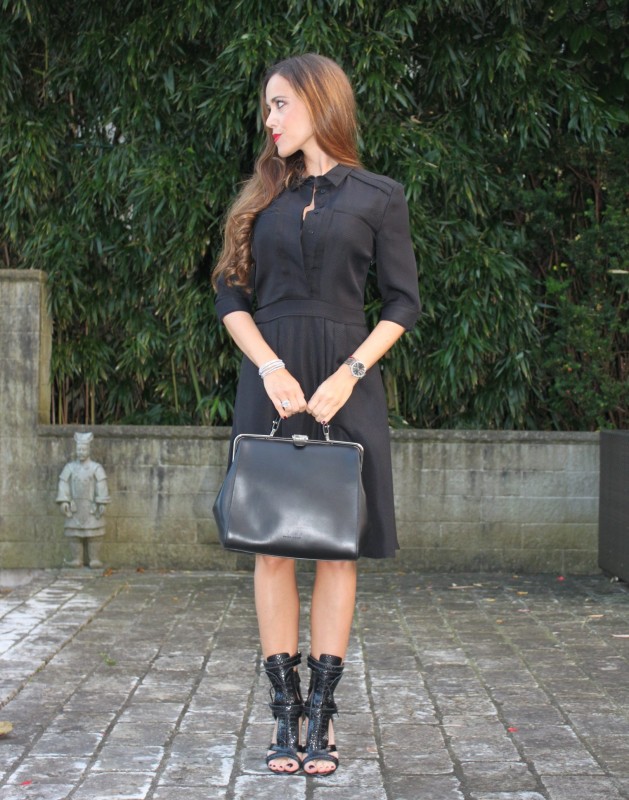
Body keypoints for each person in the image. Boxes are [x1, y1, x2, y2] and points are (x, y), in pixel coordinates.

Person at [212, 53, 420, 776]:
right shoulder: (260, 196)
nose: (268, 119)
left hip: (345, 383)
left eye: (279, 104)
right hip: (267, 380)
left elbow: (402, 302)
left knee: (337, 548)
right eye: (266, 106)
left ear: (319, 102)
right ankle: (283, 714)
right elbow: (230, 295)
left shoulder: (379, 196)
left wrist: (350, 373)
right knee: (269, 545)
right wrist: (268, 366)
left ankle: (322, 720)